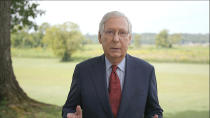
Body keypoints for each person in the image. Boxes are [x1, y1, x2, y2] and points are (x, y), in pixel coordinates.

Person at [62, 11, 163, 118]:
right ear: (100, 37)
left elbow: (154, 110)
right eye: (110, 32)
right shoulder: (83, 71)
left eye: (122, 33)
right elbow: (69, 108)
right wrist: (70, 115)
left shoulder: (146, 71)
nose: (115, 39)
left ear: (129, 39)